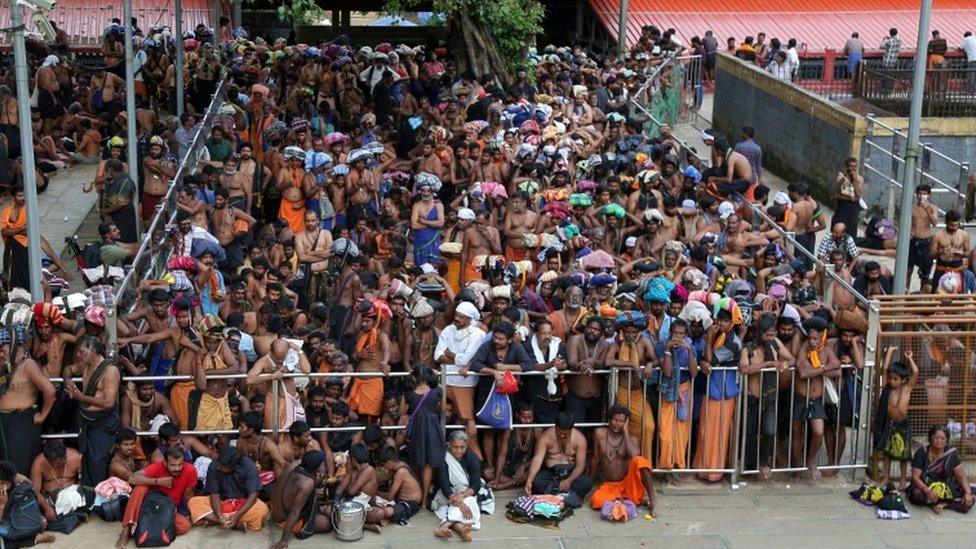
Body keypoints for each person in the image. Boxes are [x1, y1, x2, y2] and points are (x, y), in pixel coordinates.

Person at [63, 336, 120, 504]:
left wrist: (81, 397)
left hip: (103, 424)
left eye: (82, 351)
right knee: (87, 462)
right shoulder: (86, 365)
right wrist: (67, 381)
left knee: (98, 462)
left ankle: (101, 501)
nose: (79, 355)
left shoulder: (110, 370)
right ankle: (89, 500)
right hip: (87, 422)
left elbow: (109, 402)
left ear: (93, 350)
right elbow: (68, 369)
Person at [0, 321, 56, 475]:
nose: (1, 354)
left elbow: (50, 391)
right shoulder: (7, 365)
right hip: (5, 423)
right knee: (5, 467)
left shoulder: (28, 365)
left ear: (14, 347)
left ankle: (22, 497)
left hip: (21, 423)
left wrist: (42, 416)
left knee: (20, 467)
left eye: (3, 350)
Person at [115, 447, 196, 548]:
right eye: (173, 465)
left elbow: (188, 495)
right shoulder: (158, 466)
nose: (177, 468)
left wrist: (190, 513)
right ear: (165, 463)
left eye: (180, 464)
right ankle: (127, 529)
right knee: (140, 488)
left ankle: (143, 529)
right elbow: (132, 478)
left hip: (168, 509)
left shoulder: (190, 470)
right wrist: (157, 481)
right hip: (149, 507)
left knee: (185, 526)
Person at [590, 405, 657, 516]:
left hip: (627, 484)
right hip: (610, 485)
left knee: (641, 461)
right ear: (609, 420)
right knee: (596, 500)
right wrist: (590, 484)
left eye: (621, 421)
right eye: (615, 420)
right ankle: (626, 501)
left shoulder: (632, 439)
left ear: (626, 423)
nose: (617, 424)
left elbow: (635, 455)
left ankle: (653, 501)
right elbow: (595, 459)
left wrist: (626, 432)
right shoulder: (599, 434)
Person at [188, 446, 269, 531]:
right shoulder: (214, 465)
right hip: (220, 503)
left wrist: (236, 516)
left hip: (241, 503)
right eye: (219, 463)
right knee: (193, 503)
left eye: (223, 466)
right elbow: (214, 494)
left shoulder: (249, 466)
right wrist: (219, 516)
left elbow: (253, 495)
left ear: (235, 467)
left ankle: (219, 521)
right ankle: (232, 524)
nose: (218, 467)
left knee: (262, 510)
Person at [875, 349, 918, 490]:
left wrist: (910, 358)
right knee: (887, 452)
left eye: (895, 379)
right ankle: (886, 477)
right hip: (890, 424)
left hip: (902, 424)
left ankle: (903, 480)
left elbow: (916, 372)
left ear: (904, 380)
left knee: (903, 454)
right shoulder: (888, 389)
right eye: (890, 378)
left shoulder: (907, 389)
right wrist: (889, 353)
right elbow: (885, 369)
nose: (891, 381)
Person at [524, 411, 592, 500]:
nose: (562, 436)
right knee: (536, 483)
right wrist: (530, 478)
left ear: (571, 429)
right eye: (559, 433)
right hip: (551, 474)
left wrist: (569, 480)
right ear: (555, 427)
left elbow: (580, 466)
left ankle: (554, 494)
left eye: (565, 434)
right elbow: (537, 459)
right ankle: (564, 496)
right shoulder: (546, 436)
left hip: (570, 473)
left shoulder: (580, 439)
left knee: (587, 483)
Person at [270, 451, 332, 548]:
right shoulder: (307, 483)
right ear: (318, 467)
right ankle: (294, 528)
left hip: (277, 510)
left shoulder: (295, 464)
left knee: (329, 510)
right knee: (326, 524)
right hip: (283, 519)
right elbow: (295, 511)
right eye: (322, 464)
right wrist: (284, 540)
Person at [907, 424, 974, 514]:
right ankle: (941, 503)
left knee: (970, 498)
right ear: (930, 439)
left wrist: (968, 493)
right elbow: (915, 477)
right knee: (916, 494)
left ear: (946, 441)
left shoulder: (951, 453)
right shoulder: (921, 453)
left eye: (942, 438)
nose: (939, 441)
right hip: (926, 486)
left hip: (945, 487)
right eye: (936, 437)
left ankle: (943, 505)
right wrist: (927, 491)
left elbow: (961, 476)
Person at [405, 365, 444, 509]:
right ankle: (425, 498)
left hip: (417, 428)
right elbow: (443, 409)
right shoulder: (436, 391)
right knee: (428, 464)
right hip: (432, 428)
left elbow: (404, 411)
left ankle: (419, 492)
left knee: (418, 461)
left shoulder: (411, 393)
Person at [432, 430, 481, 541]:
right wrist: (458, 502)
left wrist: (462, 496)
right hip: (448, 493)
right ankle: (462, 530)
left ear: (467, 445)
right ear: (449, 445)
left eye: (462, 447)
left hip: (466, 491)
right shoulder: (444, 458)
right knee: (461, 507)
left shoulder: (472, 459)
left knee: (470, 502)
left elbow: (476, 484)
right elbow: (444, 484)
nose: (459, 450)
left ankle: (444, 527)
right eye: (455, 447)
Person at [0, 460, 56, 547]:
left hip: (12, 519)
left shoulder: (17, 479)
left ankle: (30, 537)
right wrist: (2, 505)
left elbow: (32, 490)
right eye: (1, 483)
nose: (3, 487)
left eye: (5, 483)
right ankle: (33, 539)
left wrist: (38, 515)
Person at [909, 184, 938, 287]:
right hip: (913, 240)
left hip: (926, 241)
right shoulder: (912, 207)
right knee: (908, 269)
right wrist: (909, 231)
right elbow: (908, 222)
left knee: (925, 272)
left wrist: (927, 209)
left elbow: (935, 222)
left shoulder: (933, 208)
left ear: (929, 195)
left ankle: (922, 295)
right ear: (916, 194)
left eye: (924, 194)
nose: (921, 196)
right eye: (920, 193)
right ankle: (904, 292)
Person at [832, 157, 863, 239]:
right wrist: (849, 199)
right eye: (851, 166)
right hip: (841, 208)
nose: (853, 168)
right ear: (846, 167)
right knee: (836, 228)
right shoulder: (841, 177)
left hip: (852, 211)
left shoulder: (859, 179)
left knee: (850, 233)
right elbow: (836, 194)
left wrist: (855, 179)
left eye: (855, 166)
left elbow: (858, 194)